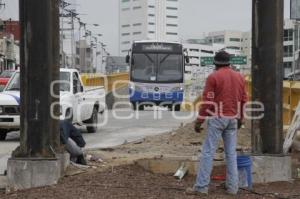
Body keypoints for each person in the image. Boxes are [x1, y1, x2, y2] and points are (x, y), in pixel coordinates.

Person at [186, 51, 248, 196]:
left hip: (217, 118)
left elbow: (207, 102)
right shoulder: (239, 77)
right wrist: (241, 118)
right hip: (233, 119)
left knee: (208, 152)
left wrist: (199, 121)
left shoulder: (213, 77)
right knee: (231, 154)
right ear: (229, 63)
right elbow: (244, 99)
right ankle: (233, 188)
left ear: (216, 64)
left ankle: (201, 187)